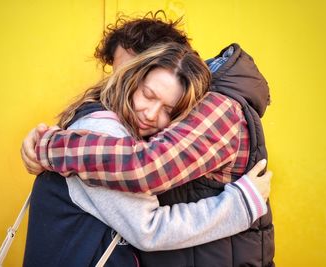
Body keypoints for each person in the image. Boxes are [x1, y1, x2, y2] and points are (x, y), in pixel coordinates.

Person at [22, 11, 274, 266]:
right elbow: (149, 227)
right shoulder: (103, 130)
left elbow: (146, 168)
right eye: (147, 94)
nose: (151, 114)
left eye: (168, 109)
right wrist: (239, 205)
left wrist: (48, 145)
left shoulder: (210, 113)